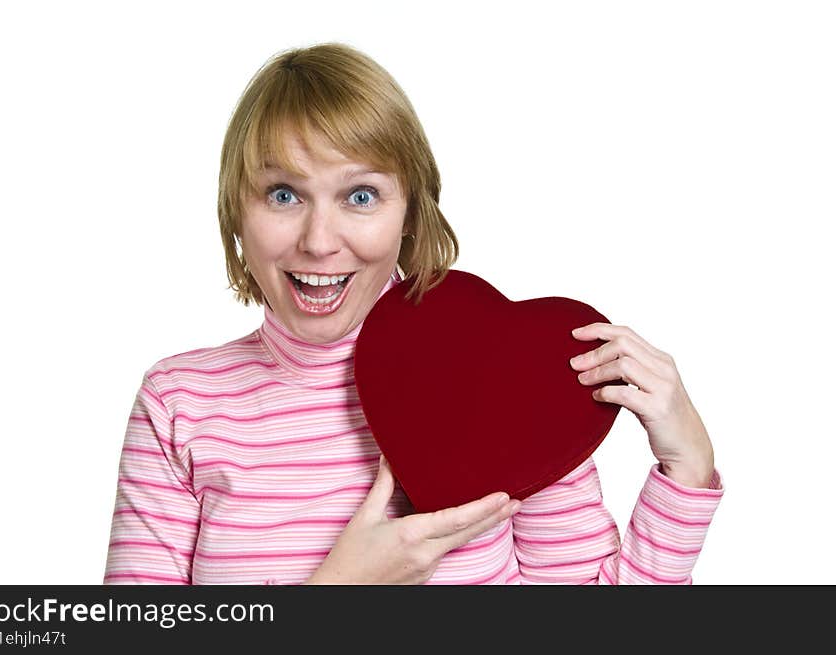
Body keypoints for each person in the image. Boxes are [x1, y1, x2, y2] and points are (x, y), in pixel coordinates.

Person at [104, 42, 724, 585]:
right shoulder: (178, 402)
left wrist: (688, 470)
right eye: (283, 194)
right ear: (236, 210)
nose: (319, 240)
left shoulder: (512, 380)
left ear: (409, 213)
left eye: (361, 195)